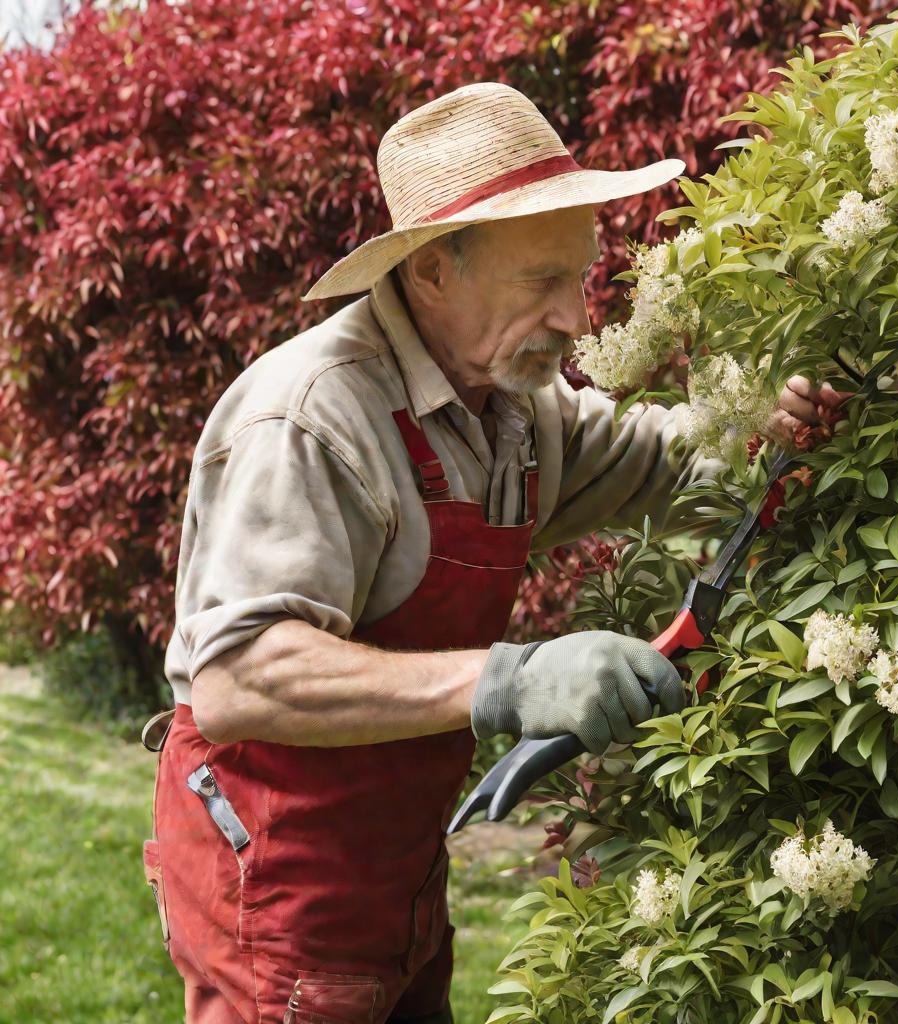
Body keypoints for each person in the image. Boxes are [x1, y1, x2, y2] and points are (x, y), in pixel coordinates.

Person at [141, 81, 846, 1024]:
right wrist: (511, 682)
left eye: (581, 276)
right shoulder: (312, 418)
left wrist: (770, 424)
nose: (579, 319)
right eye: (542, 284)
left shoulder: (512, 406)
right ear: (432, 269)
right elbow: (238, 676)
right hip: (276, 870)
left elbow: (667, 462)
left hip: (396, 866)